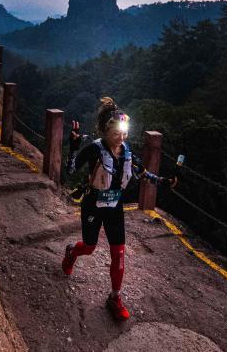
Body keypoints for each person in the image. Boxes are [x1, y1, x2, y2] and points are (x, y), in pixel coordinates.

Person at [61, 96, 176, 320]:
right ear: (105, 131)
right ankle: (72, 252)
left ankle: (115, 298)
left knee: (119, 254)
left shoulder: (125, 151)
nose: (121, 138)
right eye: (116, 134)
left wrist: (162, 182)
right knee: (90, 247)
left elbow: (141, 173)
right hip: (93, 205)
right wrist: (73, 147)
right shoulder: (95, 149)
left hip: (114, 207)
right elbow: (71, 169)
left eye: (124, 133)